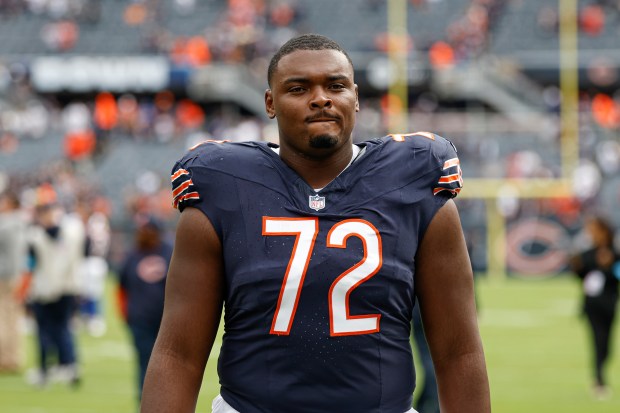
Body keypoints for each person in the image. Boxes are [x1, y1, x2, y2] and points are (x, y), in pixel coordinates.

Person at [141, 34, 490, 413]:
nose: (321, 98)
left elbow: (459, 351)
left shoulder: (415, 181)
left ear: (355, 97)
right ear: (270, 103)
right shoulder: (224, 187)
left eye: (336, 85)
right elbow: (179, 353)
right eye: (299, 88)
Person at [26, 186, 85, 387]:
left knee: (49, 330)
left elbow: (33, 264)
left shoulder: (38, 235)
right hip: (64, 286)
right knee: (60, 329)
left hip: (50, 288)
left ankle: (50, 369)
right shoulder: (69, 231)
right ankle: (67, 366)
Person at [117, 216, 172, 402]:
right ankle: (145, 402)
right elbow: (121, 288)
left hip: (167, 320)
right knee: (144, 362)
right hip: (140, 320)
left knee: (169, 363)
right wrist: (126, 313)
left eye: (148, 230)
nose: (144, 234)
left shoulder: (170, 252)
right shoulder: (132, 255)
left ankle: (167, 401)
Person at [569, 215, 619, 399]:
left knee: (607, 344)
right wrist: (575, 265)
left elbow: (617, 275)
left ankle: (600, 374)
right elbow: (581, 276)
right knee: (597, 340)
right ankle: (599, 380)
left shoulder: (614, 252)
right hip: (592, 304)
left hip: (609, 302)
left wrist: (610, 265)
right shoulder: (588, 253)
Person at [0, 191, 28, 373]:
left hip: (3, 275)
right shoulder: (23, 223)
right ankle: (14, 357)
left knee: (2, 317)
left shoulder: (6, 224)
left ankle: (3, 358)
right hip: (17, 274)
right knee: (13, 318)